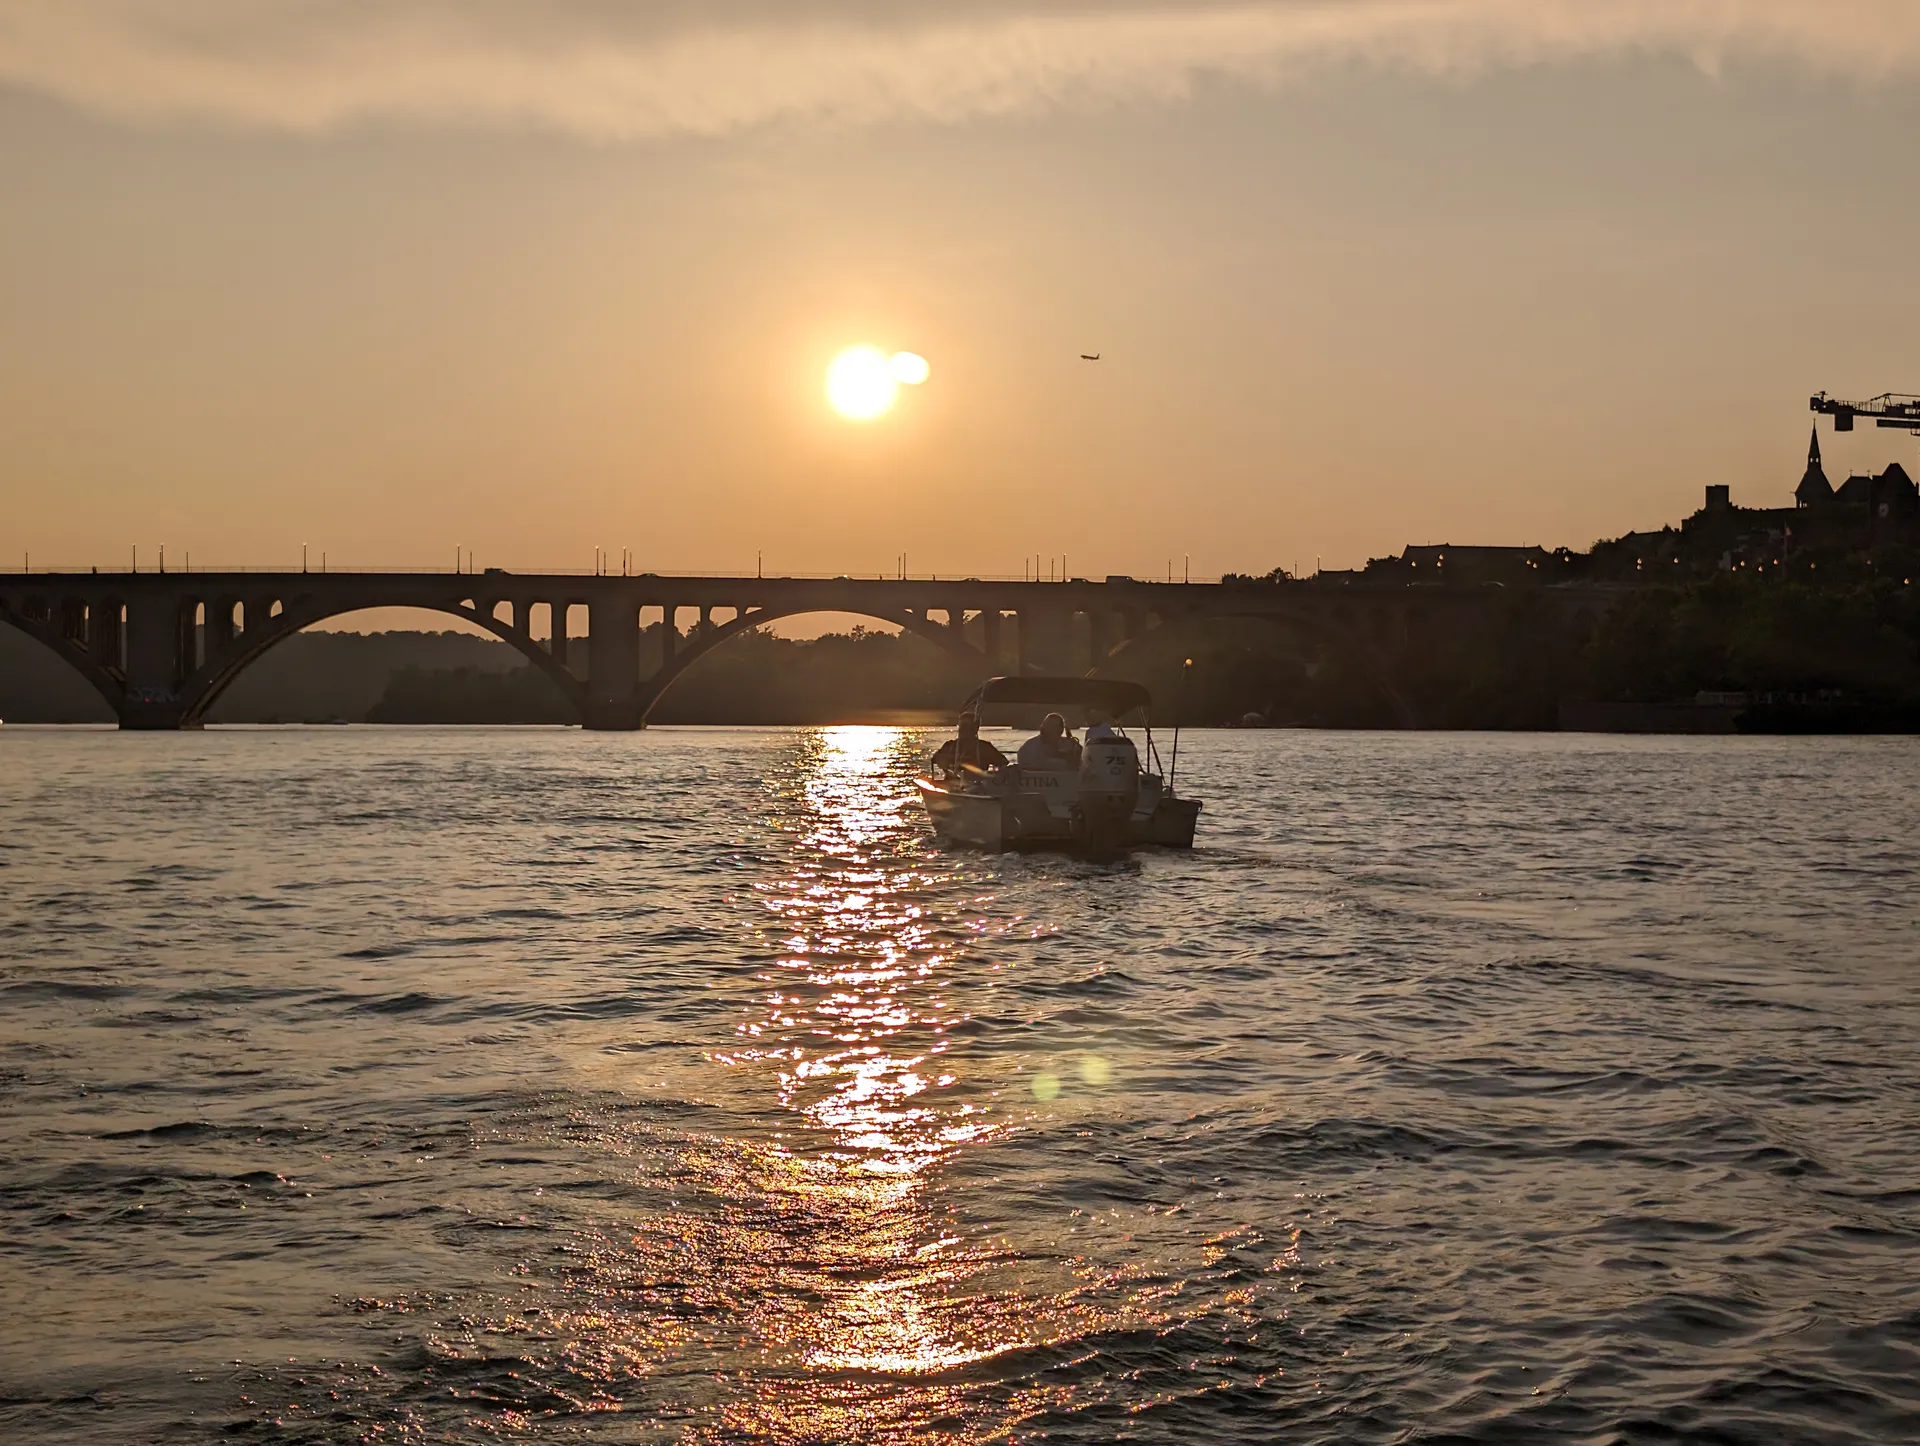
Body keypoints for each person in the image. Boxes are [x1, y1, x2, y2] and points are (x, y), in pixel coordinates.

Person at [930, 712, 1008, 777]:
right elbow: (934, 760)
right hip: (953, 784)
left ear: (975, 729)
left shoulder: (985, 747)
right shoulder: (950, 746)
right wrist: (947, 768)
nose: (962, 730)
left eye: (966, 726)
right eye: (961, 726)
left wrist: (994, 774)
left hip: (978, 785)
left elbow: (1003, 762)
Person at [1017, 712, 1081, 769]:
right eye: (1047, 726)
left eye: (1053, 727)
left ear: (1061, 730)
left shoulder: (1071, 745)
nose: (1048, 729)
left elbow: (1082, 763)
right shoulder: (1029, 747)